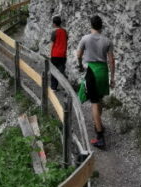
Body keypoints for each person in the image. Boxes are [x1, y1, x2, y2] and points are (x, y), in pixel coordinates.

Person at [76, 14, 115, 149]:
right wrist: (113, 78)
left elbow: (78, 55)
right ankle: (99, 124)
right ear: (101, 26)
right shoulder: (107, 41)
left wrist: (80, 65)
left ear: (91, 25)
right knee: (99, 99)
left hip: (92, 71)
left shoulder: (85, 39)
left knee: (93, 103)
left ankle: (100, 137)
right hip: (104, 71)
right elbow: (111, 60)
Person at [49, 15, 68, 90]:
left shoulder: (54, 32)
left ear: (54, 24)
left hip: (55, 54)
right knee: (61, 71)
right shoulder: (65, 31)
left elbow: (52, 44)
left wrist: (50, 54)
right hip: (63, 55)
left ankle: (53, 88)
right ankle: (65, 87)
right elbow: (66, 40)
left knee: (54, 71)